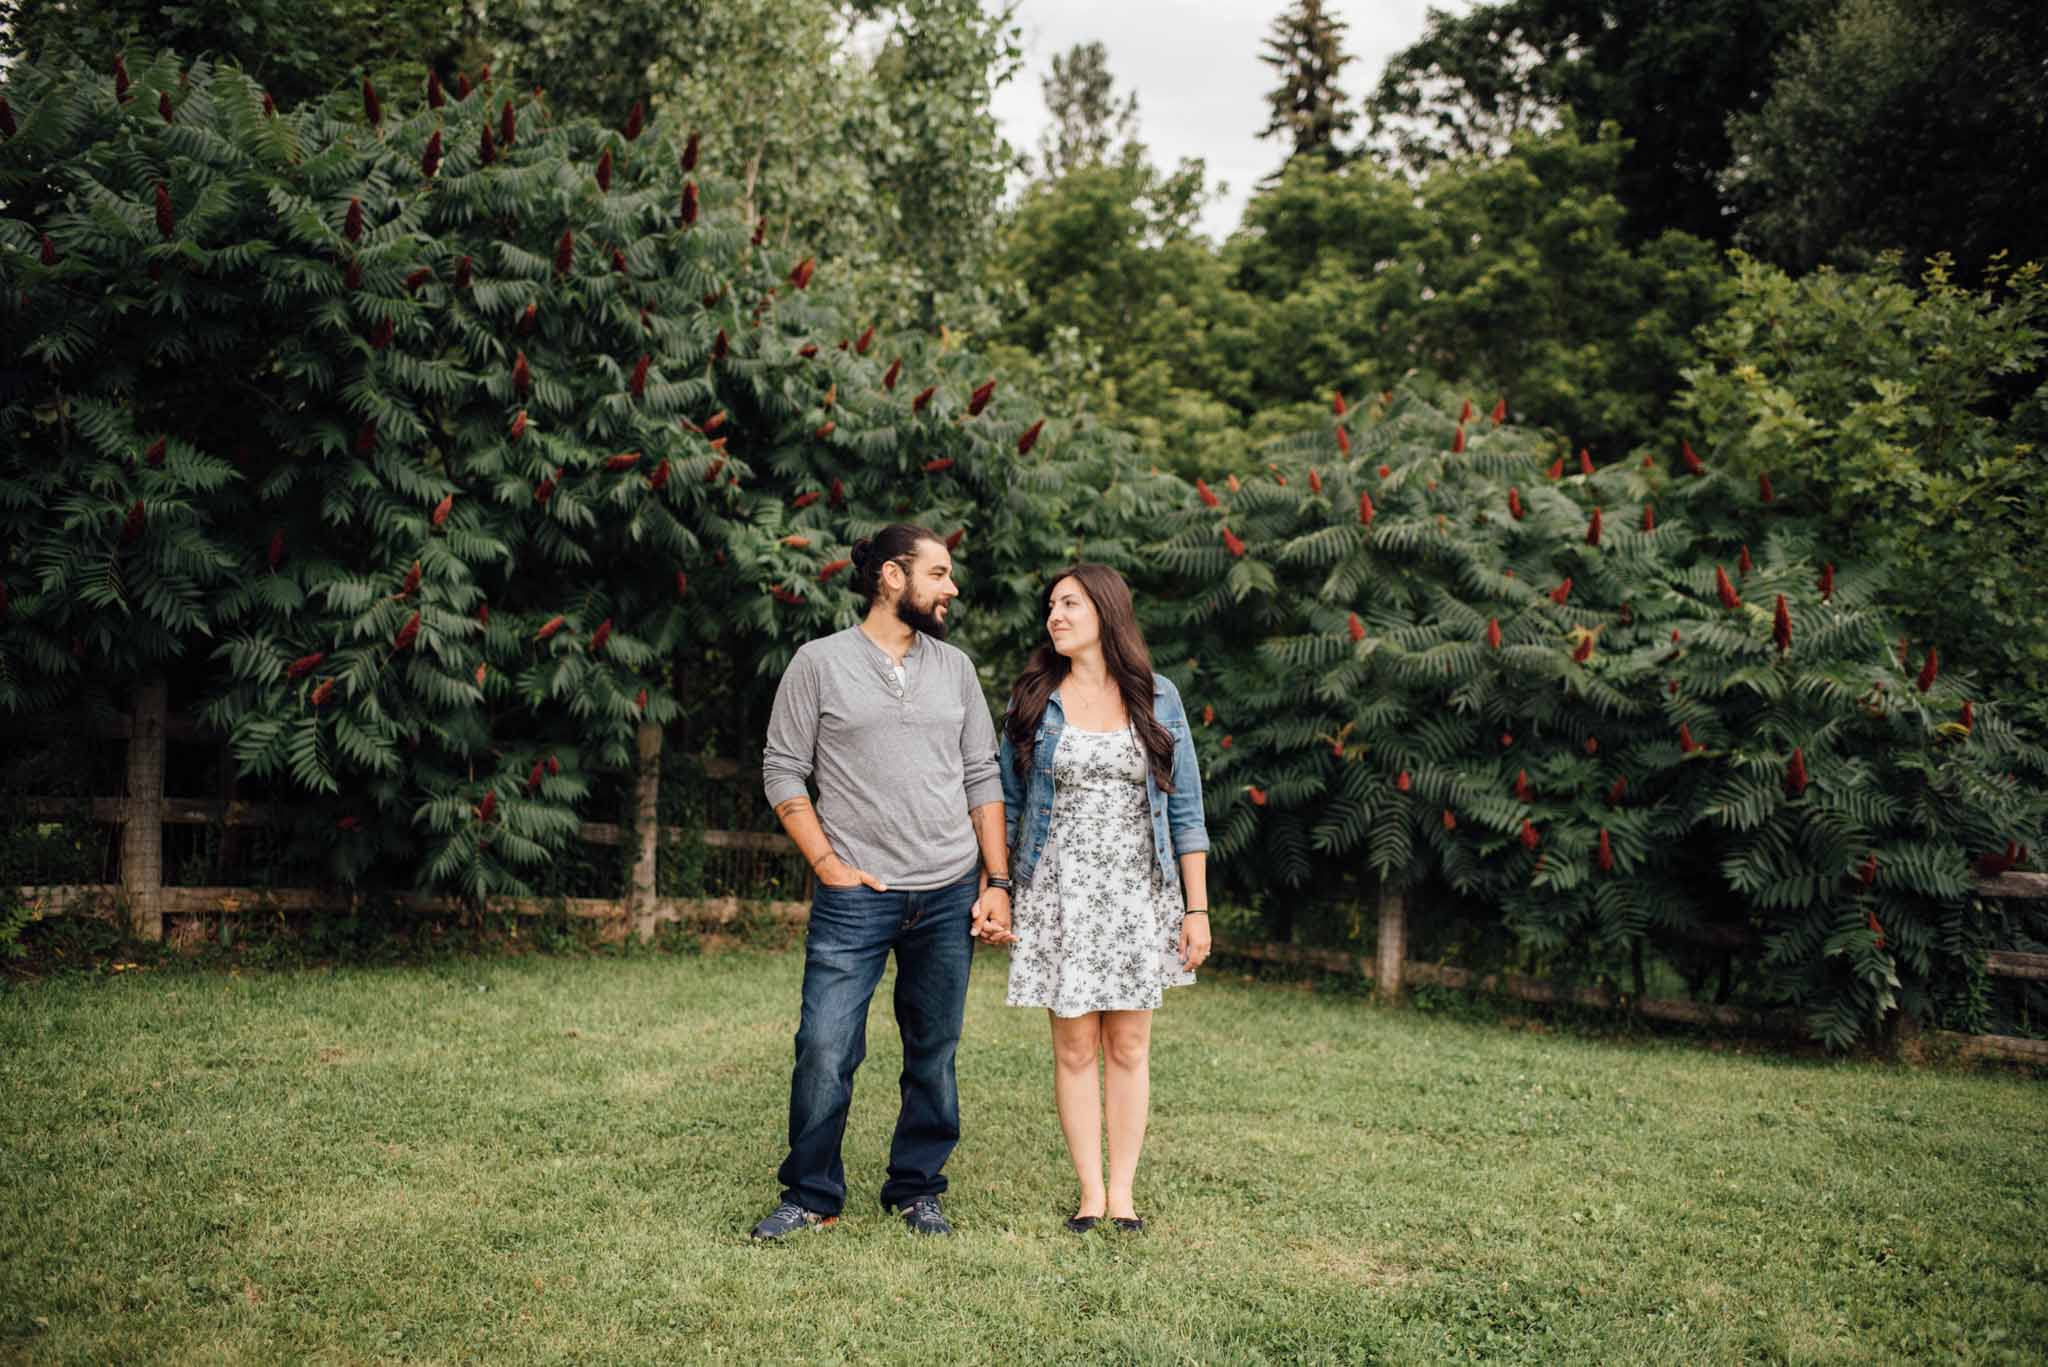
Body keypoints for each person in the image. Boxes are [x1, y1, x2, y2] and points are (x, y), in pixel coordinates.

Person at [750, 524, 1014, 1240]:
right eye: (939, 572)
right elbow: (782, 767)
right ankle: (810, 1194)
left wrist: (997, 879)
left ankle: (917, 1187)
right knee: (826, 1045)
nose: (951, 587)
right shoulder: (818, 664)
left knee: (933, 1050)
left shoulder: (956, 668)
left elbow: (982, 776)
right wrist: (827, 864)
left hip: (949, 890)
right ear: (893, 577)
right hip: (855, 896)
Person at [994, 563, 1211, 1233]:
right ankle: (1090, 1192)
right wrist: (997, 887)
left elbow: (1186, 809)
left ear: (1106, 612)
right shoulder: (1036, 699)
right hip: (1059, 891)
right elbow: (1004, 801)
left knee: (1129, 1045)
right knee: (1074, 1046)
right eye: (1051, 605)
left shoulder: (1157, 695)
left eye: (1070, 603)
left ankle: (1124, 1194)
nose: (1055, 615)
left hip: (1135, 893)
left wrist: (1196, 908)